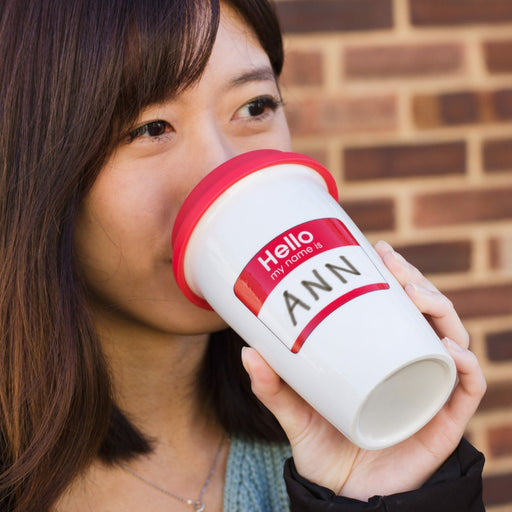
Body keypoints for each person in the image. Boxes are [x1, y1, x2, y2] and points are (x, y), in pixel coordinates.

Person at [0, 0, 486, 511]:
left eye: (255, 107)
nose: (222, 172)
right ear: (30, 162)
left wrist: (389, 492)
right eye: (148, 128)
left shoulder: (325, 442)